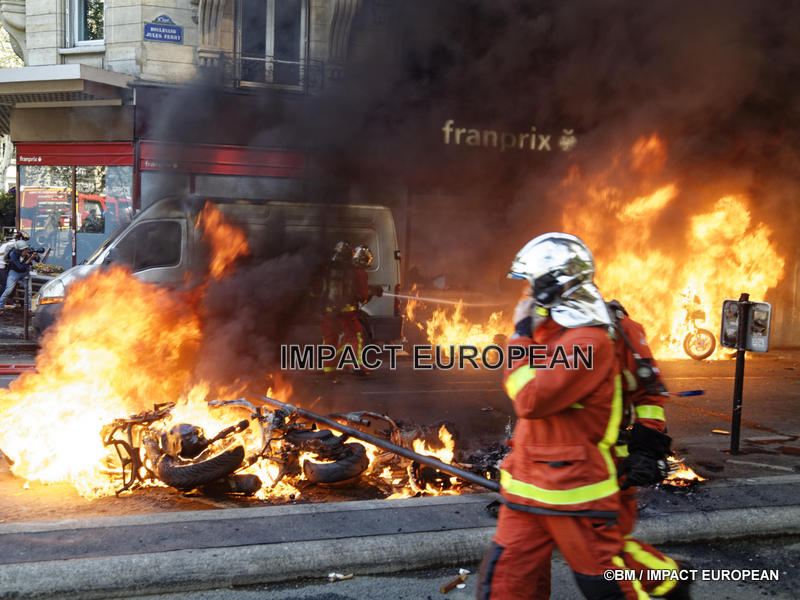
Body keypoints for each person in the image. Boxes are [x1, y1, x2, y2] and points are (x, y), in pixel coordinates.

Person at [477, 232, 687, 600]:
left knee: (607, 574)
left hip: (582, 480)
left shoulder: (595, 337)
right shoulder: (548, 330)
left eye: (531, 286)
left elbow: (531, 398)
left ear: (553, 287)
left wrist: (646, 444)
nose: (524, 295)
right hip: (528, 481)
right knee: (506, 583)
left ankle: (668, 584)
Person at [317, 242, 381, 379]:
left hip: (328, 311)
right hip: (347, 312)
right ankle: (355, 364)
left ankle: (328, 369)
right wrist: (373, 293)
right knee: (355, 336)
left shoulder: (328, 269)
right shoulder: (358, 272)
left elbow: (320, 290)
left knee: (329, 339)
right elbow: (362, 297)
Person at [0, 241, 40, 312]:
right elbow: (20, 267)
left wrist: (35, 256)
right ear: (20, 250)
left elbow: (38, 260)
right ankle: (0, 306)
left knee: (29, 291)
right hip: (14, 272)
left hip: (25, 273)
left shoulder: (29, 251)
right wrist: (30, 259)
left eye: (27, 249)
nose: (27, 251)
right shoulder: (13, 254)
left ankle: (29, 308)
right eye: (25, 250)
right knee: (9, 289)